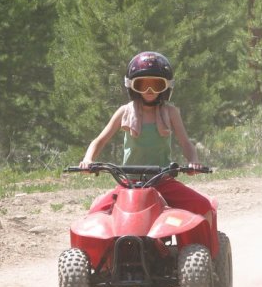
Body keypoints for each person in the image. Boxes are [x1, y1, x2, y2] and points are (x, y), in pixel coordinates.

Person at [79, 51, 214, 218]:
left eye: (156, 85)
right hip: (129, 184)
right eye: (143, 85)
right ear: (132, 86)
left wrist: (193, 161)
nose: (149, 90)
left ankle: (210, 244)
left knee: (203, 205)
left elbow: (186, 143)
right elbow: (99, 141)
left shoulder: (170, 112)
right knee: (94, 213)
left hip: (162, 181)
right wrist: (88, 160)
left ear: (166, 87)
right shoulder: (124, 112)